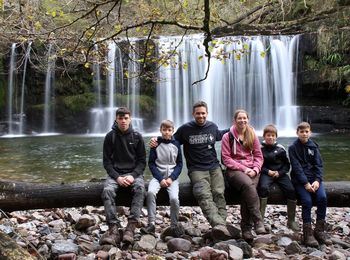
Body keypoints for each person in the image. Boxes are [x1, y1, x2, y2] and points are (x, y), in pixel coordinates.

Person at [151, 101, 231, 241]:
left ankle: (221, 226)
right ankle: (219, 225)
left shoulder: (212, 126)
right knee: (203, 195)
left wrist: (238, 127)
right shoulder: (185, 129)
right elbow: (169, 138)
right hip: (196, 169)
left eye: (203, 113)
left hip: (214, 167)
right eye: (198, 113)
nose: (201, 116)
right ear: (193, 114)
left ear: (207, 113)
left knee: (219, 193)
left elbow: (221, 134)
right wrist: (155, 140)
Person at [100, 107, 146, 246]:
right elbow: (107, 162)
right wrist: (117, 177)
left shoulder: (137, 136)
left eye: (126, 118)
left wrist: (132, 176)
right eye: (120, 118)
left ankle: (130, 229)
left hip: (133, 174)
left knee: (140, 189)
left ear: (130, 119)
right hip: (116, 175)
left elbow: (142, 162)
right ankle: (113, 229)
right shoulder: (110, 137)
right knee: (107, 191)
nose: (123, 121)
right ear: (116, 119)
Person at [221, 109, 266, 242]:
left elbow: (258, 156)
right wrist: (244, 169)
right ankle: (258, 220)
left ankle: (246, 229)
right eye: (239, 118)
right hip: (234, 170)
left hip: (253, 170)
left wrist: (256, 169)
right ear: (234, 121)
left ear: (248, 119)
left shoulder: (252, 134)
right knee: (248, 185)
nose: (242, 121)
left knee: (248, 191)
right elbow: (226, 159)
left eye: (244, 118)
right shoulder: (227, 137)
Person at [288, 122, 332, 247]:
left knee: (322, 198)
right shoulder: (292, 148)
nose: (304, 134)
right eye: (301, 132)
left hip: (314, 180)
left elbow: (319, 165)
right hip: (300, 181)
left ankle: (319, 230)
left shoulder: (314, 147)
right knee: (306, 201)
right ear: (297, 133)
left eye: (306, 131)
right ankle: (307, 233)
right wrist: (306, 183)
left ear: (310, 133)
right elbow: (296, 168)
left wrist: (317, 180)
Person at [142, 120, 183, 237]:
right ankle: (151, 224)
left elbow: (179, 164)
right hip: (157, 177)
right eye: (164, 130)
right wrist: (160, 179)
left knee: (174, 199)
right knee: (150, 192)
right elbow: (151, 164)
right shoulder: (155, 144)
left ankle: (174, 225)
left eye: (169, 130)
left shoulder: (176, 145)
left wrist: (171, 178)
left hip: (172, 178)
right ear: (160, 130)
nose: (166, 132)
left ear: (173, 131)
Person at [257, 124, 299, 231]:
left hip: (280, 174)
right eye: (268, 135)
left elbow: (287, 165)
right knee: (263, 188)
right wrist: (268, 171)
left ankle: (291, 221)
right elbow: (258, 164)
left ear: (276, 137)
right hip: (266, 173)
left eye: (272, 135)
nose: (270, 137)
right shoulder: (260, 149)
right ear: (264, 136)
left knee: (291, 190)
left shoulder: (280, 149)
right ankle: (260, 220)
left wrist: (280, 173)